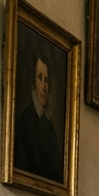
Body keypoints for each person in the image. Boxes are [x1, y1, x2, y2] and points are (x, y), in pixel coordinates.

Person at [13, 54, 63, 182]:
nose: (44, 87)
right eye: (40, 78)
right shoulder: (25, 121)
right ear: (33, 82)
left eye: (46, 80)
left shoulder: (49, 126)